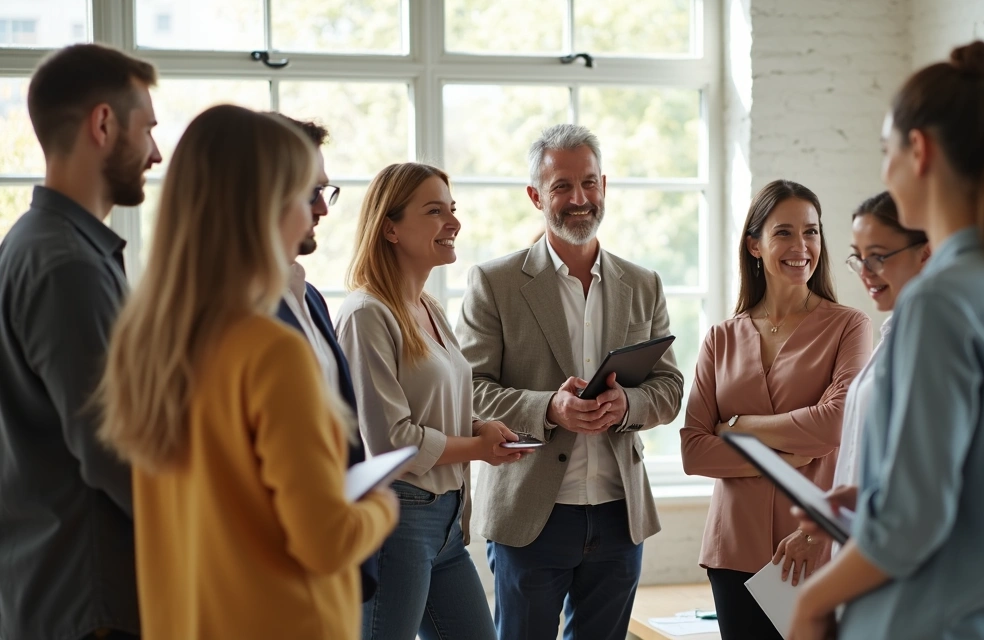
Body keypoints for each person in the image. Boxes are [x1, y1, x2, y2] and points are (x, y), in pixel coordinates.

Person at [788, 41, 984, 640]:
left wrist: (812, 603)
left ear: (917, 150)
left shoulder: (939, 301)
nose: (884, 169)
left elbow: (912, 524)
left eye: (884, 150)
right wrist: (874, 496)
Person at [97, 104, 397, 640]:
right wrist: (381, 507)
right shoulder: (270, 352)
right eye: (304, 195)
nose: (313, 216)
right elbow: (324, 539)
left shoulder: (143, 343)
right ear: (265, 205)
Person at [456, 123, 685, 640]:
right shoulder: (495, 282)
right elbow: (469, 387)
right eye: (562, 186)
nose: (578, 199)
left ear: (604, 184)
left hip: (618, 514)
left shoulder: (643, 283)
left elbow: (670, 387)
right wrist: (548, 409)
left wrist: (627, 404)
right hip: (531, 513)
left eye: (588, 183)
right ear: (536, 194)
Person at [0, 43, 161, 640]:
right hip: (91, 601)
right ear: (103, 124)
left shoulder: (38, 243)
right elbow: (113, 449)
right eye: (148, 129)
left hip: (57, 590)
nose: (156, 152)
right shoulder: (67, 264)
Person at [336, 162, 527, 640]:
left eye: (453, 209)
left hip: (444, 521)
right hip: (399, 519)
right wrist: (477, 449)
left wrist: (481, 426)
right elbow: (390, 443)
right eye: (434, 211)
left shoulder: (429, 309)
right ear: (391, 228)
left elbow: (441, 402)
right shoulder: (365, 315)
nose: (454, 222)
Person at [679, 179, 872, 640]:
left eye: (811, 231)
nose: (801, 246)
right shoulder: (721, 337)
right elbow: (694, 450)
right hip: (732, 550)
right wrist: (786, 456)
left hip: (811, 549)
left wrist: (741, 428)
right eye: (784, 232)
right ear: (755, 245)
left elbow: (836, 424)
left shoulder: (849, 326)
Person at [271, 114, 379, 601]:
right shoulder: (241, 317)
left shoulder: (309, 296)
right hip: (282, 574)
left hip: (335, 563)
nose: (323, 208)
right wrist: (380, 512)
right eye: (312, 191)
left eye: (326, 191)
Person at [832, 192, 928, 490]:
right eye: (858, 259)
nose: (865, 273)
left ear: (926, 253)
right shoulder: (894, 333)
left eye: (876, 258)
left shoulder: (931, 346)